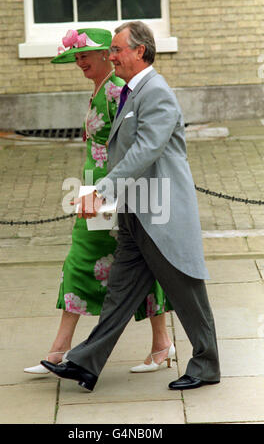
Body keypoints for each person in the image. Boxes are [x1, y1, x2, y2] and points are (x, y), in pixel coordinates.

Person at [41, 21, 221, 392]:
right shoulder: (131, 92)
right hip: (137, 210)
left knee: (185, 289)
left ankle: (206, 364)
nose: (112, 56)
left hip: (161, 212)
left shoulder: (156, 92)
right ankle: (86, 363)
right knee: (120, 294)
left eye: (118, 49)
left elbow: (145, 150)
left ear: (140, 51)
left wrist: (101, 191)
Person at [24, 28, 175, 375]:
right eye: (75, 58)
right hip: (93, 188)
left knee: (87, 262)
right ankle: (158, 344)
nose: (79, 62)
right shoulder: (100, 89)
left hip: (107, 191)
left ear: (106, 55)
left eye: (84, 56)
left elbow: (135, 145)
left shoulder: (114, 91)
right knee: (134, 264)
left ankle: (60, 352)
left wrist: (106, 190)